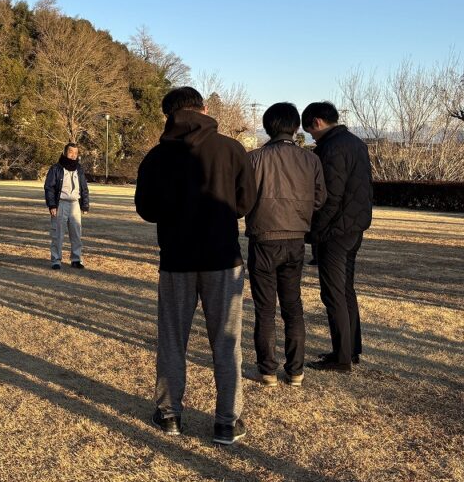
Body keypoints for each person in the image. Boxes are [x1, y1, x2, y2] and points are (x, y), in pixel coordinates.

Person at [135, 87, 255, 445]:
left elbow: (146, 209)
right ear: (204, 108)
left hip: (176, 259)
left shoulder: (156, 156)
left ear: (168, 115)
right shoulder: (232, 149)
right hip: (223, 259)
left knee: (172, 338)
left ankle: (170, 414)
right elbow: (245, 202)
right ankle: (226, 422)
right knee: (227, 340)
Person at [245, 102, 326, 387]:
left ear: (268, 127)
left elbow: (241, 200)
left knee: (265, 308)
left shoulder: (253, 158)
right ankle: (296, 371)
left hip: (263, 238)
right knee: (293, 306)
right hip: (295, 239)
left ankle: (266, 370)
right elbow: (319, 199)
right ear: (295, 127)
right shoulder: (311, 160)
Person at [301, 101, 373, 372]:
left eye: (310, 131)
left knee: (333, 293)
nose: (311, 136)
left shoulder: (331, 148)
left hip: (335, 230)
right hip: (354, 228)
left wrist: (314, 232)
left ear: (317, 122)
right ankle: (351, 349)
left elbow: (328, 198)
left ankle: (341, 357)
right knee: (345, 290)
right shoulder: (356, 143)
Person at [44, 143, 90, 270]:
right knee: (57, 234)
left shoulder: (79, 169)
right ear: (65, 153)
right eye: (71, 152)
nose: (73, 155)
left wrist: (85, 205)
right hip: (60, 204)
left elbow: (84, 188)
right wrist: (52, 205)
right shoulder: (56, 169)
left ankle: (76, 259)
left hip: (75, 204)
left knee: (76, 234)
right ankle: (56, 260)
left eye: (76, 153)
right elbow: (49, 188)